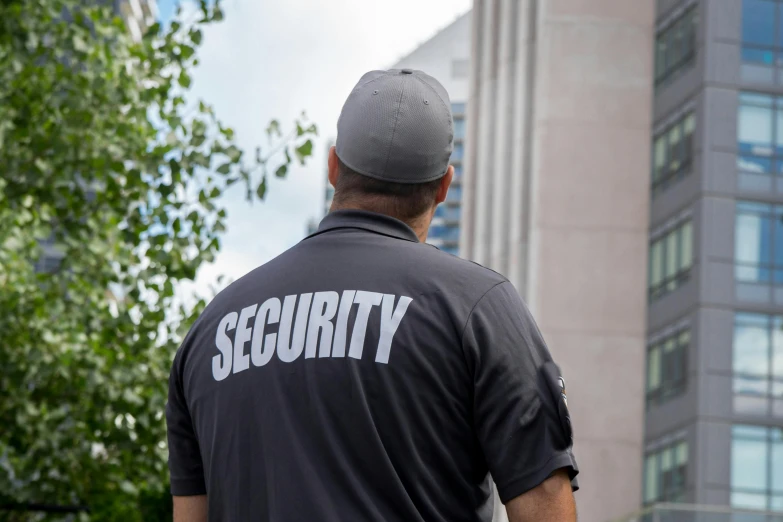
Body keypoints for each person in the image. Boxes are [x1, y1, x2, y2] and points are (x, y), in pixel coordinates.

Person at [166, 68, 578, 522]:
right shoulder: (478, 308)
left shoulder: (211, 330)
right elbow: (545, 508)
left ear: (332, 166)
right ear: (444, 185)